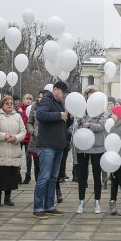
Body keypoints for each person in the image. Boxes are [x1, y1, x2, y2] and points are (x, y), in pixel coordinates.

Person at [33, 81, 74, 219]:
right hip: (47, 146)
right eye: (62, 92)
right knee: (44, 177)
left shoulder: (60, 103)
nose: (63, 95)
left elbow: (63, 122)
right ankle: (38, 208)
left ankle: (49, 206)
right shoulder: (46, 100)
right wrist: (59, 115)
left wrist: (70, 118)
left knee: (53, 178)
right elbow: (41, 115)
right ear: (55, 90)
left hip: (58, 145)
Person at [74, 86, 107, 215]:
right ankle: (81, 201)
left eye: (93, 94)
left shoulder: (102, 111)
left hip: (97, 147)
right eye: (88, 94)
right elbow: (76, 124)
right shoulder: (81, 110)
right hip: (82, 147)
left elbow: (102, 126)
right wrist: (77, 123)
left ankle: (97, 201)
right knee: (82, 176)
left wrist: (89, 125)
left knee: (96, 175)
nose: (90, 96)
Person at [0, 95, 27, 208]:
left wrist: (16, 138)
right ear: (2, 104)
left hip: (13, 149)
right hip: (1, 149)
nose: (10, 105)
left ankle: (8, 197)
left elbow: (23, 131)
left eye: (11, 103)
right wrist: (5, 136)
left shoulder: (17, 116)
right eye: (7, 103)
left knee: (11, 176)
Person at [19, 93, 34, 184]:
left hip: (29, 137)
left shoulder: (33, 109)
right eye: (26, 99)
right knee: (18, 156)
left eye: (29, 99)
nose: (27, 100)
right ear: (23, 100)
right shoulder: (19, 109)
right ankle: (17, 174)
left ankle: (28, 174)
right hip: (20, 136)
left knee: (28, 157)